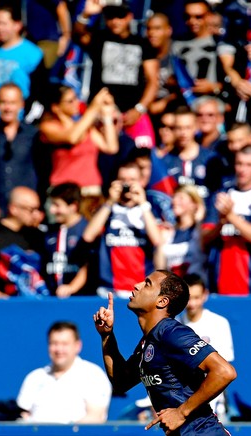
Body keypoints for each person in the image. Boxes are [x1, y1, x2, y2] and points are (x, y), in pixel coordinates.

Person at [92, 270, 236, 435]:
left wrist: (181, 412)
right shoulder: (149, 341)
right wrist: (107, 336)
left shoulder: (172, 333)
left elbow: (224, 372)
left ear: (162, 301)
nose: (137, 285)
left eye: (147, 284)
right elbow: (121, 381)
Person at [74, 0, 159, 148]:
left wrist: (139, 109)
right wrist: (86, 14)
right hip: (102, 113)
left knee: (144, 152)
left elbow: (153, 81)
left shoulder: (142, 44)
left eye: (120, 16)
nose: (115, 21)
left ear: (129, 17)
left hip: (132, 112)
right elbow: (79, 33)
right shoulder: (99, 38)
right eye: (110, 16)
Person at [202, 146, 251, 295]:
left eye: (249, 165)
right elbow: (204, 239)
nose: (242, 169)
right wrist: (220, 223)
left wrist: (230, 216)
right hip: (219, 286)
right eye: (239, 163)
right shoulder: (221, 195)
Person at [83, 162, 162, 298]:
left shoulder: (148, 210)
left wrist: (142, 203)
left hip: (141, 289)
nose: (127, 185)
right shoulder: (107, 211)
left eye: (132, 180)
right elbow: (88, 236)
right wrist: (110, 201)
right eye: (123, 180)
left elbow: (158, 240)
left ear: (141, 181)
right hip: (109, 289)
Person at [0, 83, 49, 210]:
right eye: (3, 102)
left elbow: (44, 170)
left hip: (26, 209)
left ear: (21, 104)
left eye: (12, 103)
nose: (8, 108)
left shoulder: (34, 135)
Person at [16, 321, 111, 423]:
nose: (59, 349)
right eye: (54, 343)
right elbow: (23, 416)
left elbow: (96, 417)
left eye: (65, 344)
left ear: (78, 346)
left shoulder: (93, 375)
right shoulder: (34, 377)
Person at [0, 186, 47, 297]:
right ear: (13, 209)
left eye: (38, 209)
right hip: (5, 304)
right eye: (31, 209)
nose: (35, 214)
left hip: (38, 302)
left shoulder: (38, 236)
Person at [40, 86, 119, 194]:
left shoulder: (85, 127)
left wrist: (107, 116)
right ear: (56, 107)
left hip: (90, 188)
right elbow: (72, 138)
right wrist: (93, 108)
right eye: (70, 101)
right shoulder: (49, 127)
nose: (76, 103)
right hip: (63, 190)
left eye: (76, 98)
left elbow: (111, 148)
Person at [177, 274, 234, 417]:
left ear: (205, 295)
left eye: (196, 297)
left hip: (211, 401)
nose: (192, 304)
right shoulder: (173, 325)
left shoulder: (219, 323)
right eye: (188, 298)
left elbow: (222, 369)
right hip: (178, 398)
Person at [42, 183, 91, 297]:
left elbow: (88, 265)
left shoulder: (87, 230)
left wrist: (72, 287)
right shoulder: (49, 231)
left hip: (81, 298)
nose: (52, 210)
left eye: (57, 205)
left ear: (73, 206)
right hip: (51, 298)